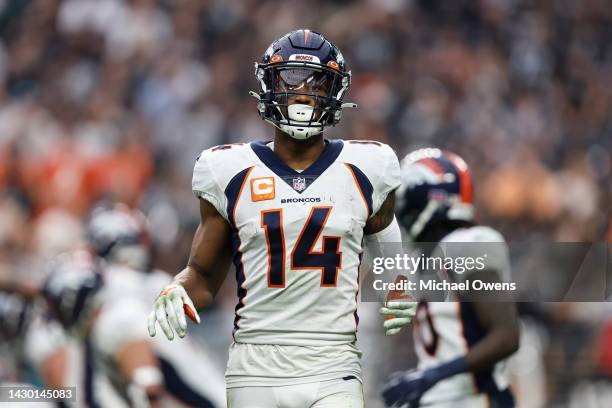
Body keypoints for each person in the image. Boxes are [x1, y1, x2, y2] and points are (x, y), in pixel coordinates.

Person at [147, 29, 414, 407]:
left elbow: (386, 242)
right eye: (291, 80)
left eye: (317, 83)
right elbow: (205, 275)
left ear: (335, 92)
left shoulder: (369, 166)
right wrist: (178, 287)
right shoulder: (226, 169)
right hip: (255, 367)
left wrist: (399, 282)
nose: (303, 93)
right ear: (268, 86)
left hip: (333, 362)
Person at [381, 148, 519, 408]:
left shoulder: (468, 244)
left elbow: (506, 335)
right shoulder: (427, 260)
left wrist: (433, 376)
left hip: (476, 400)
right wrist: (423, 380)